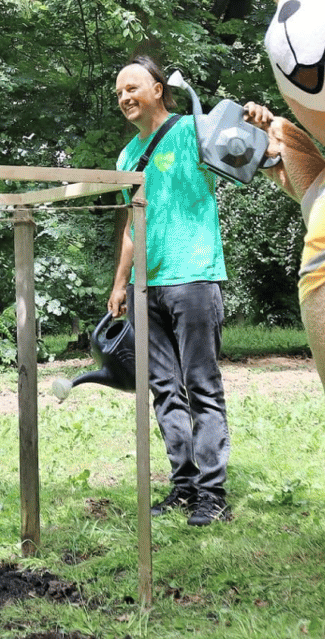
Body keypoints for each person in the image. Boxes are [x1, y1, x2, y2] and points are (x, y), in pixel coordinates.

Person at [106, 56, 235, 526]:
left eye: (132, 87)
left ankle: (212, 493)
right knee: (163, 389)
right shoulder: (125, 157)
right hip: (147, 288)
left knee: (201, 385)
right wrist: (121, 283)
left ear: (158, 89)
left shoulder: (192, 130)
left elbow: (244, 148)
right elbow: (131, 226)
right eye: (119, 92)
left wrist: (256, 120)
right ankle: (183, 486)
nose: (124, 98)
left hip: (193, 277)